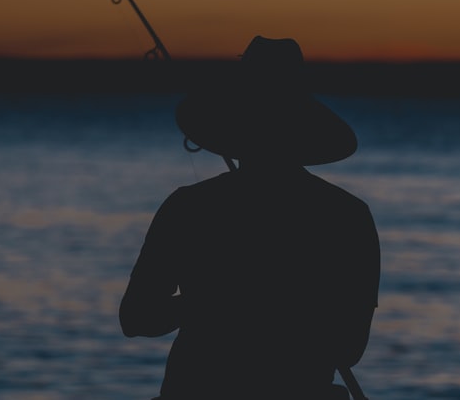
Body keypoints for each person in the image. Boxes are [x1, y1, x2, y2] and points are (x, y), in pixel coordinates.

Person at [120, 36, 380, 400]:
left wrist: (205, 304)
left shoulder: (188, 207)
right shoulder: (349, 216)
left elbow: (136, 317)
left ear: (236, 122)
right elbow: (350, 347)